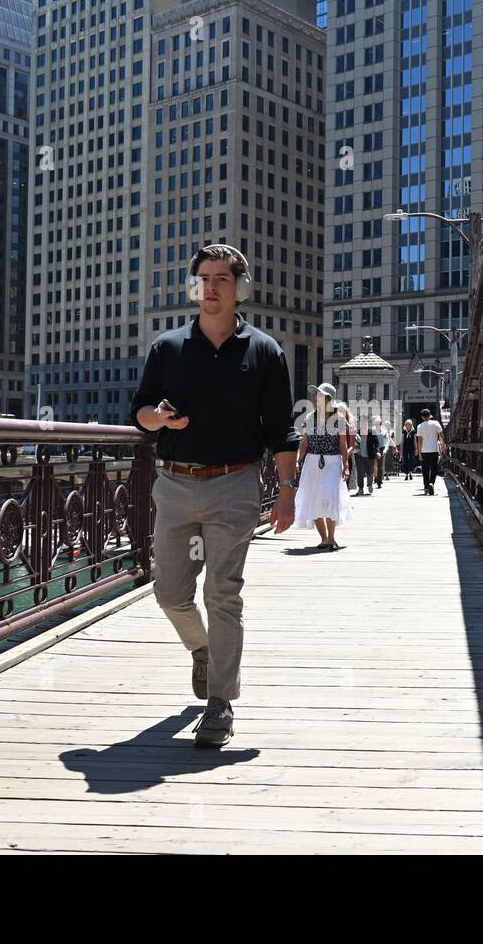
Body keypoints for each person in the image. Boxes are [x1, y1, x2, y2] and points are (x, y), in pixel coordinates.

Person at [132, 243, 299, 748]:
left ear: (240, 287)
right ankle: (203, 652)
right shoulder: (168, 347)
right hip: (175, 485)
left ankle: (221, 703)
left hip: (236, 485)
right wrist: (157, 419)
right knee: (169, 594)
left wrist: (287, 491)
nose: (211, 287)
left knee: (223, 594)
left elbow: (282, 430)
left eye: (221, 279)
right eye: (203, 278)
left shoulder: (265, 352)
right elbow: (140, 412)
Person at [294, 384, 353, 548]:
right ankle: (323, 538)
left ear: (328, 398)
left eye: (319, 395)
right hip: (312, 461)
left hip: (332, 461)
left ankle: (332, 538)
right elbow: (304, 444)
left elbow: (343, 445)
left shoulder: (339, 419)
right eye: (316, 395)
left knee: (330, 496)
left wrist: (345, 465)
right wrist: (297, 461)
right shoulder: (309, 418)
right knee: (313, 498)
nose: (316, 398)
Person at [415, 408, 445, 495]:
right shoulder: (436, 423)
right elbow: (441, 435)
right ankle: (432, 483)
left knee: (425, 470)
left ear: (422, 417)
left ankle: (426, 487)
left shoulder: (419, 426)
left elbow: (419, 441)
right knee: (434, 468)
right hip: (434, 450)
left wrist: (420, 454)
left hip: (424, 451)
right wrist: (443, 446)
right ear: (430, 415)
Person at [353, 411, 380, 495]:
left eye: (364, 421)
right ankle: (360, 488)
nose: (363, 422)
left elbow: (377, 443)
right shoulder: (357, 432)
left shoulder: (371, 431)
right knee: (360, 473)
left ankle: (370, 484)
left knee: (370, 472)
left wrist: (378, 452)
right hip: (359, 456)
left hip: (370, 455)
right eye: (361, 421)